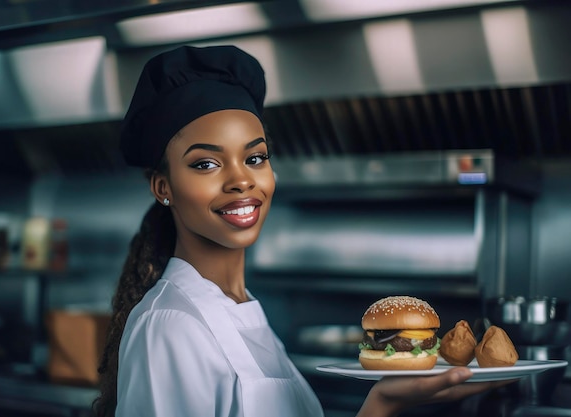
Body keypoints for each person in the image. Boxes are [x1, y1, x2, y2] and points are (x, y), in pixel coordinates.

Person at [93, 45, 510, 417]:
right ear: (163, 188)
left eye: (255, 158)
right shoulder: (170, 325)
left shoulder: (242, 309)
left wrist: (384, 402)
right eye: (206, 163)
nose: (242, 180)